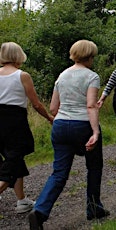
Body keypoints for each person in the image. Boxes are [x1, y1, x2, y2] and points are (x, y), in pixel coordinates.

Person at [28, 40, 109, 229]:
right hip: (83, 126)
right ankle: (93, 207)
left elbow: (53, 108)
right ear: (89, 56)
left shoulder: (62, 76)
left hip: (60, 125)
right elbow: (91, 105)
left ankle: (39, 212)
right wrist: (95, 132)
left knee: (59, 173)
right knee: (94, 167)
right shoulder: (92, 76)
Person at [0, 42, 54, 214]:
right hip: (14, 122)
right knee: (14, 158)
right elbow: (36, 104)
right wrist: (49, 117)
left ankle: (22, 201)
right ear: (19, 55)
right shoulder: (22, 76)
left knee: (14, 159)